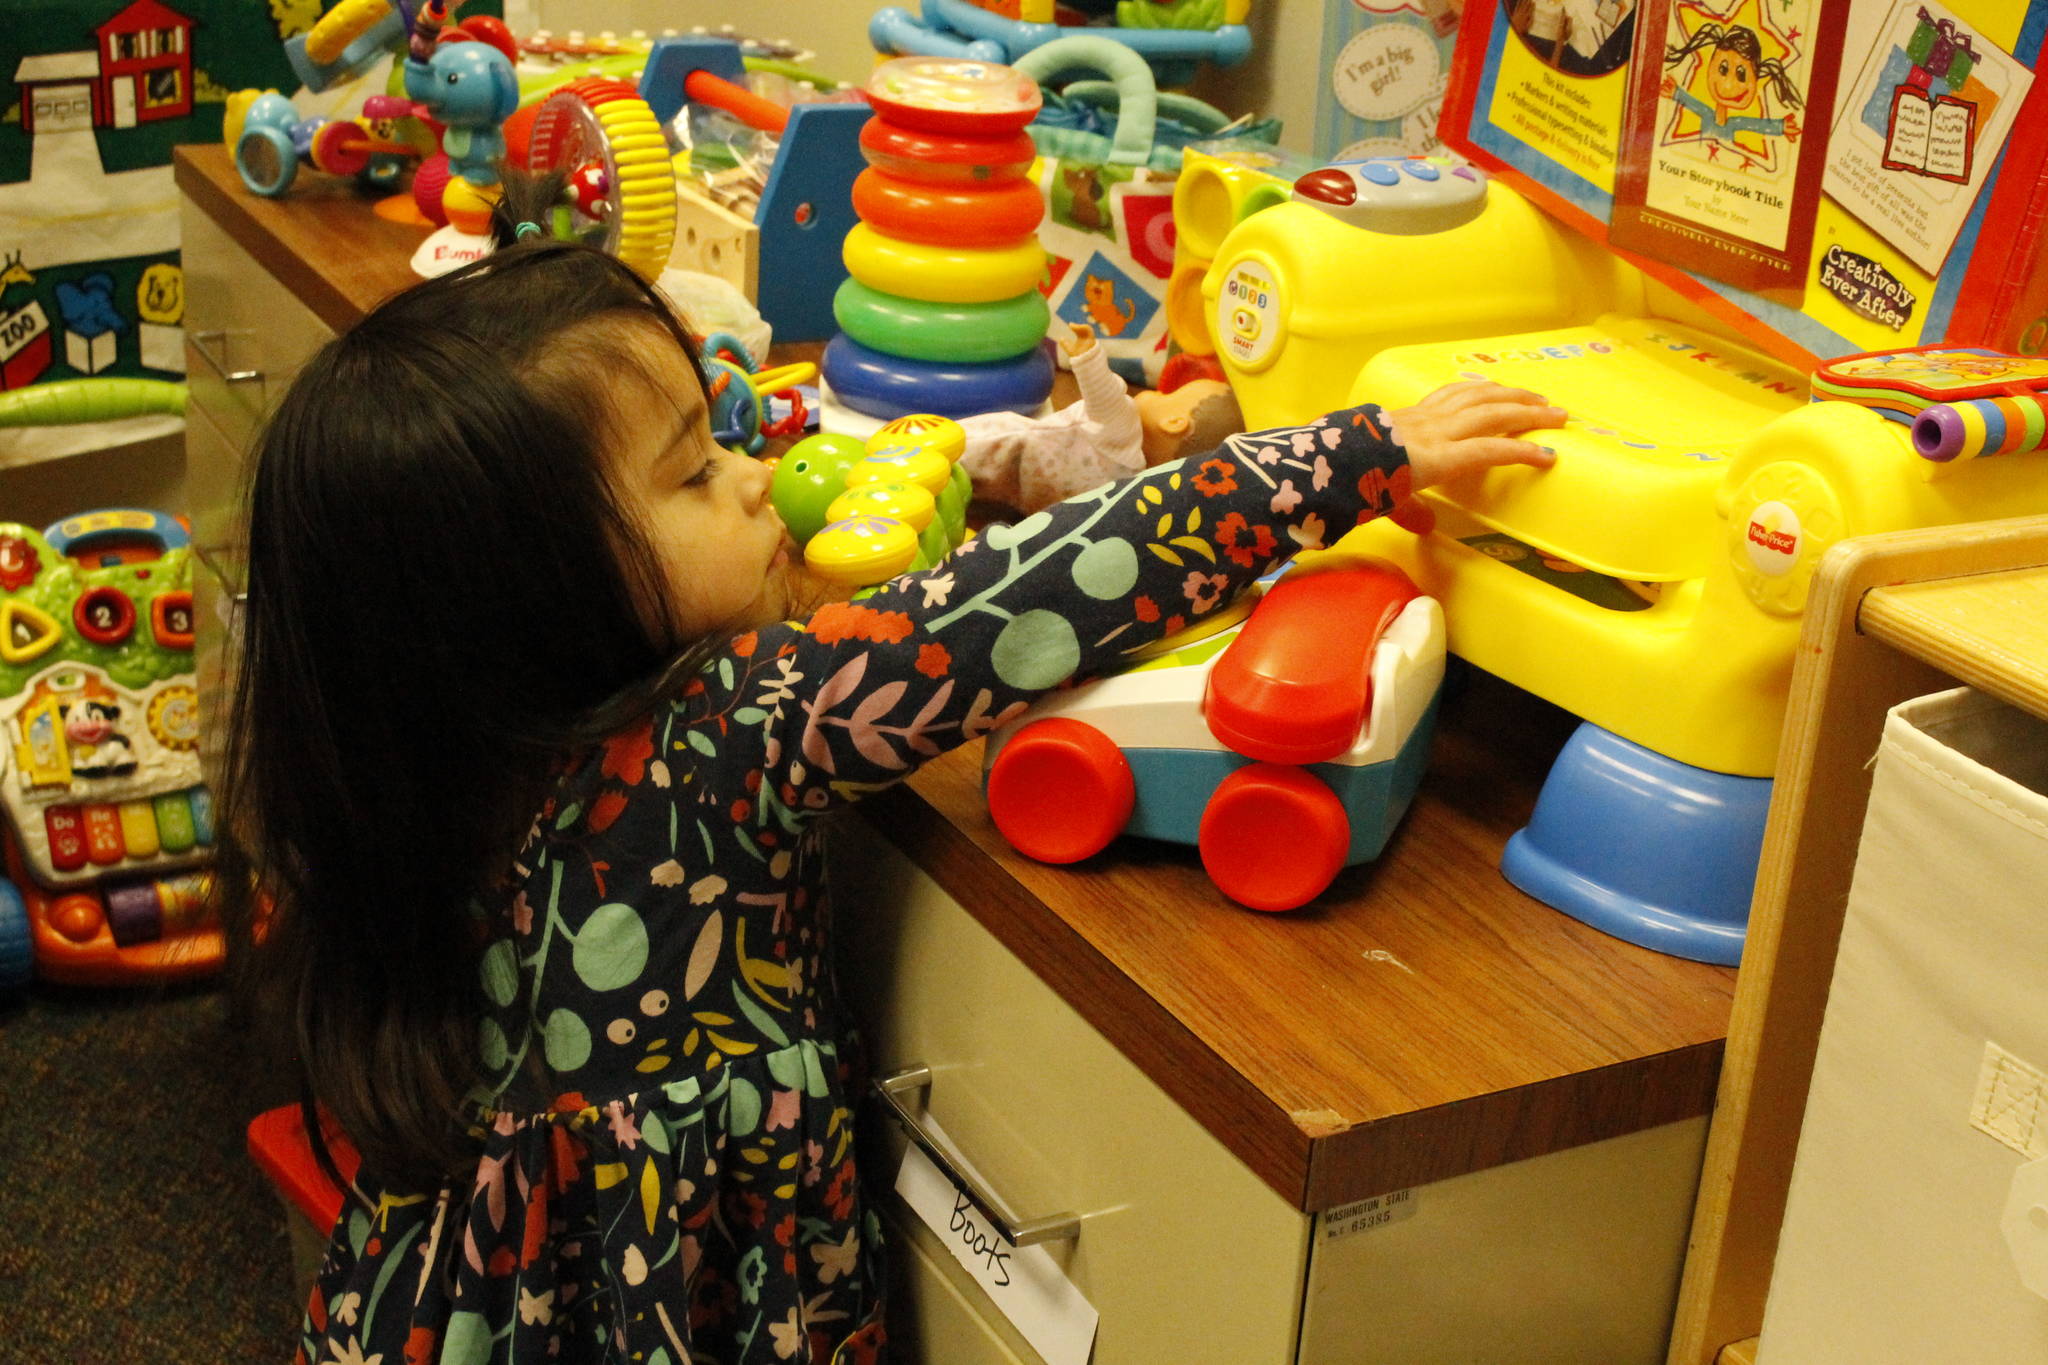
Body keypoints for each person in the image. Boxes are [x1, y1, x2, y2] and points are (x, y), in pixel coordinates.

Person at [218, 183, 1565, 1365]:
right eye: (695, 472)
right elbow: (1037, 588)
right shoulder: (723, 731)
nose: (753, 482)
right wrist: (1357, 455)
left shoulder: (411, 743)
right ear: (534, 598)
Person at [958, 323, 1245, 514]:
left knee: (949, 448)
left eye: (1169, 396)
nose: (1158, 393)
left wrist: (1089, 358)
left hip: (1003, 446)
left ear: (1174, 423)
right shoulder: (1134, 485)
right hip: (1025, 491)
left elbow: (1106, 396)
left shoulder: (1124, 435)